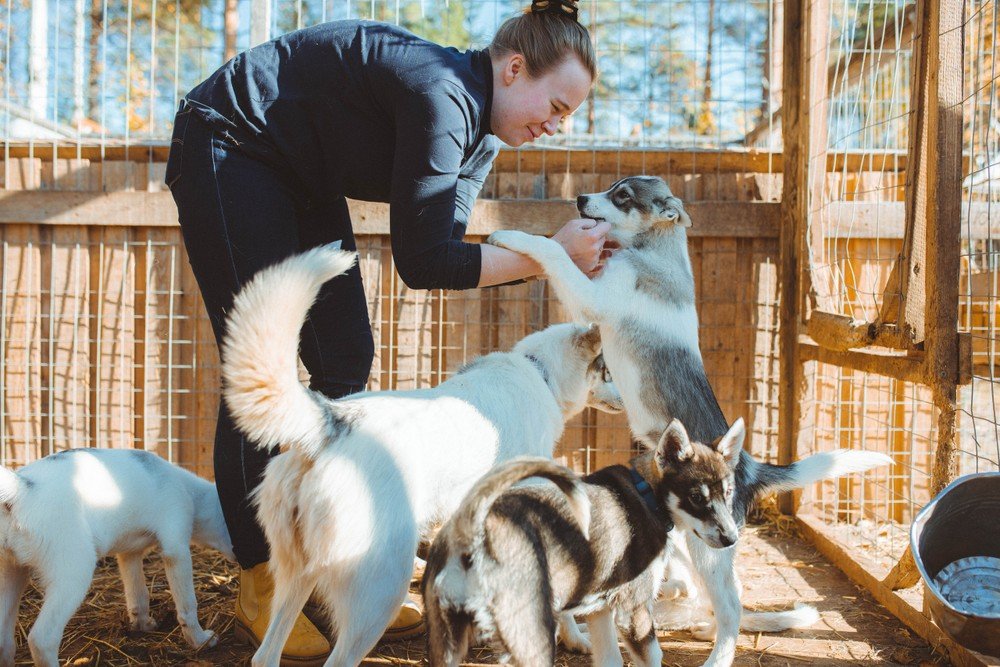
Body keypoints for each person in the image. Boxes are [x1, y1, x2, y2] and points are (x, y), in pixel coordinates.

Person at [164, 0, 604, 661]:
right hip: (232, 141)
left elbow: (440, 258)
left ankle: (328, 555)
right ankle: (261, 577)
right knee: (262, 360)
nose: (557, 126)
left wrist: (549, 258)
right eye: (559, 106)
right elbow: (423, 257)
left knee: (346, 353)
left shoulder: (481, 132)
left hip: (299, 170)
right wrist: (551, 255)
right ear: (516, 68)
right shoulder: (441, 94)